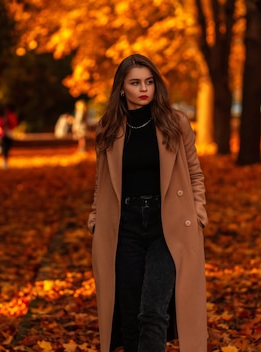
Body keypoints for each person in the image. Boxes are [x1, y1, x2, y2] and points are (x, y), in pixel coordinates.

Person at [87, 54, 209, 351]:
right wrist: (94, 219)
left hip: (166, 225)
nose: (144, 89)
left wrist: (199, 214)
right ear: (121, 89)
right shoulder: (108, 128)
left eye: (149, 82)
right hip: (124, 225)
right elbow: (102, 182)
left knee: (153, 311)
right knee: (128, 315)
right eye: (135, 82)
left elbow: (195, 173)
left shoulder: (175, 123)